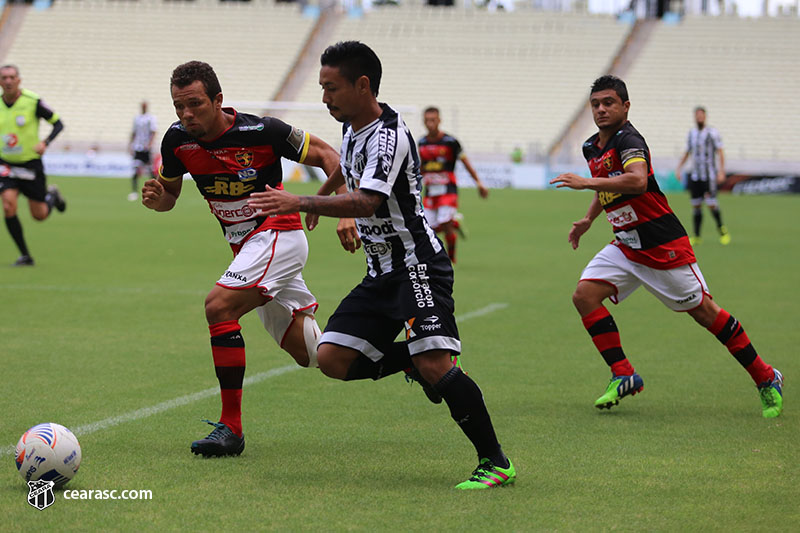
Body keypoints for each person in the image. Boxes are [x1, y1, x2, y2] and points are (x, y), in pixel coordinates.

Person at [247, 41, 515, 489]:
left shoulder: (389, 136)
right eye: (322, 88)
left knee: (437, 364)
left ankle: (495, 461)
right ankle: (412, 360)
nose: (324, 98)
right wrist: (328, 194)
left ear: (362, 85)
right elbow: (349, 170)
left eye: (331, 88)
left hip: (417, 267)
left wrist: (301, 200)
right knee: (332, 359)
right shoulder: (353, 127)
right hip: (379, 273)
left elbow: (369, 199)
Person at [550, 75, 783, 419]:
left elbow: (637, 180)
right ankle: (624, 374)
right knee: (584, 296)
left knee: (706, 313)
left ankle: (766, 377)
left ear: (625, 106)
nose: (601, 109)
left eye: (608, 103)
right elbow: (610, 189)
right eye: (596, 104)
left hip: (662, 245)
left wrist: (585, 183)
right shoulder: (591, 147)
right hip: (627, 245)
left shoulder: (629, 139)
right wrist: (588, 219)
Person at [141, 61, 342, 457]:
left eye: (195, 104)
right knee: (317, 356)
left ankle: (231, 428)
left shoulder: (263, 131)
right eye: (178, 106)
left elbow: (328, 154)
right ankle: (412, 360)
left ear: (218, 100)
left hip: (279, 235)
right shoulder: (177, 141)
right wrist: (156, 200)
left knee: (218, 306)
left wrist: (339, 210)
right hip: (249, 249)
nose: (186, 114)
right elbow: (169, 197)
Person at [0, 64, 66, 266]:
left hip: (30, 165)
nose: (8, 81)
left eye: (12, 77)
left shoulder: (33, 101)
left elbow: (58, 123)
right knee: (8, 205)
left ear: (19, 80)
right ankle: (25, 255)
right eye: (4, 78)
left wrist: (45, 143)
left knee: (39, 215)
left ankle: (52, 197)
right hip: (6, 165)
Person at [418, 106, 488, 264]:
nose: (430, 124)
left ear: (439, 121)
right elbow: (420, 167)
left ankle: (451, 259)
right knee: (429, 228)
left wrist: (479, 183)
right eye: (427, 120)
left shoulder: (450, 142)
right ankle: (456, 222)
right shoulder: (421, 143)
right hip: (430, 191)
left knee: (444, 223)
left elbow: (465, 162)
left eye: (433, 120)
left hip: (448, 189)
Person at [675, 106, 730, 246]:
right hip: (695, 176)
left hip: (709, 175)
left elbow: (720, 152)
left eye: (701, 115)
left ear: (705, 117)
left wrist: (721, 171)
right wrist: (679, 168)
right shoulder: (692, 133)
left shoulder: (712, 133)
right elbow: (687, 152)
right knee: (696, 205)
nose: (699, 118)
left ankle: (721, 229)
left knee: (711, 203)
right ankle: (697, 236)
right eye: (697, 115)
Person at [128, 101, 157, 201]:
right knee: (136, 170)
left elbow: (153, 132)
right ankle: (134, 192)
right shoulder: (137, 118)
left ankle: (156, 190)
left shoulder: (151, 118)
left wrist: (150, 144)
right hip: (138, 148)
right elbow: (133, 132)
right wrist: (130, 145)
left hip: (146, 149)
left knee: (150, 171)